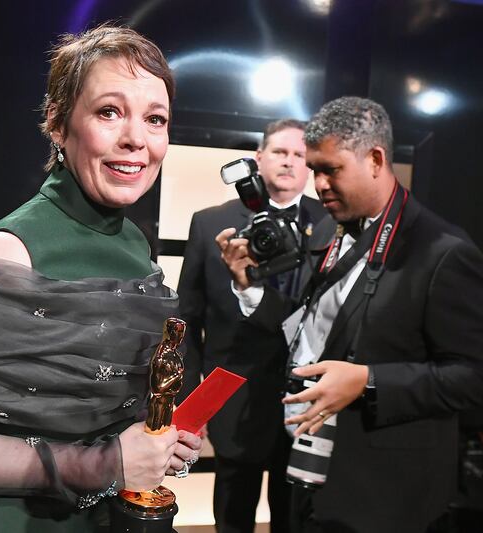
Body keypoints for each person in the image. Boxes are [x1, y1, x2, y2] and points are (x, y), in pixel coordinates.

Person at [0, 25, 201, 533]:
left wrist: (154, 441)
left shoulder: (135, 243)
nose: (137, 139)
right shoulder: (9, 251)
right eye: (108, 112)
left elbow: (107, 407)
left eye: (155, 119)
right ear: (57, 122)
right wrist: (106, 463)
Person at [217, 96, 483, 532]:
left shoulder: (444, 253)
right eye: (315, 170)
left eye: (330, 169)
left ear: (375, 159)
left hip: (377, 495)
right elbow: (312, 331)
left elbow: (479, 374)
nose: (318, 185)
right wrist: (249, 285)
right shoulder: (336, 232)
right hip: (304, 470)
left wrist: (369, 381)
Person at [177, 119, 328, 533]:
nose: (289, 162)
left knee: (293, 519)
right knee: (231, 518)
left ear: (310, 165)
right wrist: (192, 404)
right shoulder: (210, 224)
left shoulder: (332, 225)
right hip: (232, 398)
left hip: (304, 402)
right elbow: (187, 319)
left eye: (300, 155)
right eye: (280, 152)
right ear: (259, 158)